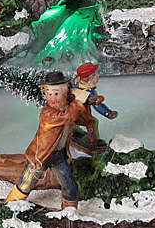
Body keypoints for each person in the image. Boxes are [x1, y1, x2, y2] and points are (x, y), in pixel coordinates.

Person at [6, 72, 91, 204]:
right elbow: (68, 117)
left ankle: (70, 210)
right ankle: (11, 204)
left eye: (56, 94)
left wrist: (86, 102)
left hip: (59, 156)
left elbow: (83, 120)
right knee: (26, 184)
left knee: (69, 185)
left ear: (65, 92)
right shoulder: (48, 113)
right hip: (40, 156)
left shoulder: (68, 107)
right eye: (48, 94)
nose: (51, 98)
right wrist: (78, 101)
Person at [68, 62, 117, 154]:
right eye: (94, 74)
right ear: (88, 78)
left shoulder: (76, 83)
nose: (96, 76)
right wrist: (108, 113)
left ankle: (72, 132)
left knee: (74, 123)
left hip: (71, 111)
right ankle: (93, 143)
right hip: (79, 113)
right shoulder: (88, 91)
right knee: (92, 122)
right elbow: (97, 105)